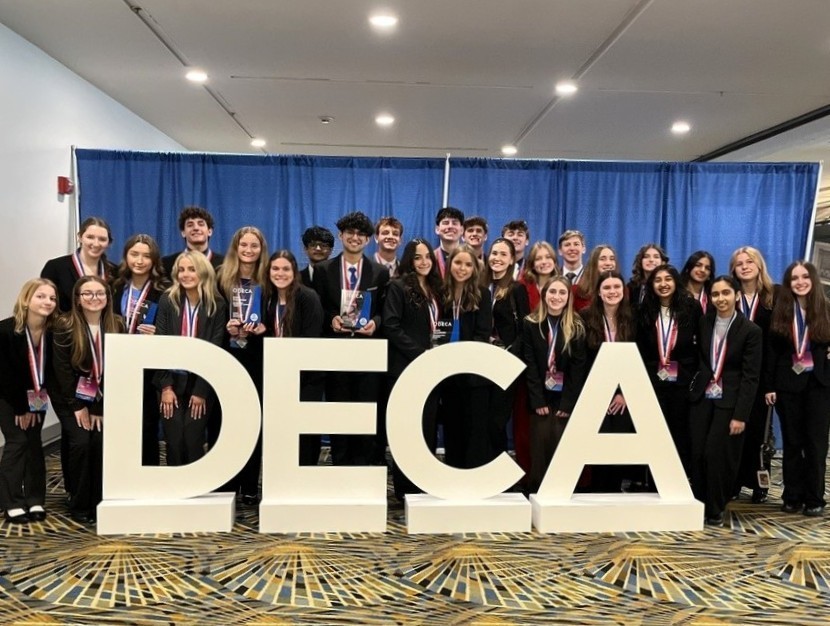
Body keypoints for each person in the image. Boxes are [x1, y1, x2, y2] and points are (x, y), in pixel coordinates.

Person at [312, 211, 390, 466]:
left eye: (361, 234)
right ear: (341, 235)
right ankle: (340, 465)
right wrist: (330, 319)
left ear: (368, 240)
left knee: (366, 411)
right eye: (350, 233)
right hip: (336, 353)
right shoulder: (323, 270)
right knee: (338, 411)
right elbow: (318, 308)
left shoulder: (379, 272)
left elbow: (383, 311)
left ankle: (364, 469)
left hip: (368, 354)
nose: (355, 238)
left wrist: (374, 323)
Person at [689, 275, 762, 526]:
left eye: (726, 293)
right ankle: (697, 504)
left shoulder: (751, 331)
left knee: (716, 455)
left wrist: (741, 415)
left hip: (730, 403)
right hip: (702, 398)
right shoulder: (704, 322)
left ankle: (715, 508)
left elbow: (751, 377)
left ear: (737, 296)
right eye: (716, 294)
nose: (721, 299)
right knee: (697, 452)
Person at [52, 276, 125, 524]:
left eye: (100, 294)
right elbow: (62, 371)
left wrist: (99, 407)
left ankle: (99, 499)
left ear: (107, 298)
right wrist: (79, 406)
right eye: (88, 294)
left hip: (103, 400)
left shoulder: (117, 324)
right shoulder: (65, 325)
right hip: (70, 400)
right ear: (78, 299)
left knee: (101, 442)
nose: (94, 298)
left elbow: (120, 369)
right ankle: (79, 501)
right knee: (82, 442)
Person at [765, 261, 830, 517]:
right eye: (794, 278)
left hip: (819, 386)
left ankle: (815, 497)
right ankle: (792, 495)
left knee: (816, 444)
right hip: (787, 385)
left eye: (805, 277)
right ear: (789, 283)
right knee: (792, 443)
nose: (800, 282)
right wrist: (769, 386)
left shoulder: (826, 310)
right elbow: (772, 353)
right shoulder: (781, 312)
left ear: (813, 280)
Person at [382, 238, 443, 498]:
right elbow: (391, 326)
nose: (424, 262)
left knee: (428, 425)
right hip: (406, 368)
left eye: (427, 256)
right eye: (418, 257)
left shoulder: (436, 289)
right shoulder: (397, 287)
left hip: (432, 368)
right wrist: (420, 354)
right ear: (409, 260)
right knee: (407, 428)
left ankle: (425, 479)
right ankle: (405, 487)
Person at [155, 252, 227, 467]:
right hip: (171, 381)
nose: (185, 274)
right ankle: (175, 491)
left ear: (203, 272)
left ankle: (196, 493)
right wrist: (165, 386)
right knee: (174, 439)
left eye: (191, 269)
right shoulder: (168, 299)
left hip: (201, 382)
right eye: (181, 269)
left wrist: (201, 391)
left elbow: (215, 349)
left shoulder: (217, 303)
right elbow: (160, 345)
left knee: (193, 439)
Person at [522, 276, 588, 494]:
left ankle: (560, 494)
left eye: (562, 293)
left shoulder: (577, 327)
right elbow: (529, 365)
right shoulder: (530, 324)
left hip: (564, 399)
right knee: (539, 447)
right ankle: (537, 493)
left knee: (561, 446)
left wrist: (568, 403)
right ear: (544, 295)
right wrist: (537, 399)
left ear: (568, 297)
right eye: (552, 292)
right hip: (539, 397)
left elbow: (577, 370)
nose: (556, 297)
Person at [217, 227, 269, 504]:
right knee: (228, 421)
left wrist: (263, 329)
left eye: (254, 246)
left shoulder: (269, 280)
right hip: (228, 357)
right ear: (235, 248)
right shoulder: (220, 278)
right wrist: (228, 329)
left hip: (258, 359)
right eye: (243, 245)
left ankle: (250, 485)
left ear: (262, 249)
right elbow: (212, 317)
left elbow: (276, 320)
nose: (248, 250)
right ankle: (228, 482)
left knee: (254, 423)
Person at [0, 279, 58, 523]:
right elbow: (5, 375)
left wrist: (35, 404)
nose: (47, 302)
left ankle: (35, 499)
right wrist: (23, 408)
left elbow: (47, 373)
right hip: (7, 397)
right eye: (41, 296)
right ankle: (11, 502)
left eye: (52, 298)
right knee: (17, 441)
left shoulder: (53, 331)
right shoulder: (5, 330)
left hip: (37, 395)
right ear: (26, 299)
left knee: (34, 442)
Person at [636, 264, 701, 476]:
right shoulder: (643, 311)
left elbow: (699, 345)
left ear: (676, 282)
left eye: (668, 279)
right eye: (658, 280)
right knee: (653, 432)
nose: (663, 284)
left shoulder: (692, 308)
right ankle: (652, 479)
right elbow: (642, 349)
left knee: (679, 431)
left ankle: (680, 478)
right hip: (652, 383)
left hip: (682, 383)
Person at [112, 234, 170, 466]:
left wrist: (158, 333)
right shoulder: (114, 287)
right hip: (118, 364)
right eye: (134, 254)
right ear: (126, 256)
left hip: (149, 365)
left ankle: (148, 477)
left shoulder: (164, 290)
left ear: (154, 261)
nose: (140, 260)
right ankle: (121, 475)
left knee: (147, 423)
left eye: (146, 256)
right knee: (121, 423)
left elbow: (172, 328)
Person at [266, 250, 325, 465]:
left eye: (285, 269)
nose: (280, 273)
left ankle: (307, 475)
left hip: (306, 377)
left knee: (305, 431)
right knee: (281, 429)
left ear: (294, 272)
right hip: (276, 377)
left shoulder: (307, 297)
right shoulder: (267, 298)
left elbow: (311, 339)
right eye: (275, 268)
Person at [582, 270, 637, 492]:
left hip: (624, 394)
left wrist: (624, 393)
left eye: (616, 287)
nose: (612, 292)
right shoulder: (586, 316)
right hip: (595, 391)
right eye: (607, 288)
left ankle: (614, 490)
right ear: (599, 292)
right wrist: (598, 391)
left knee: (619, 442)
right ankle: (597, 491)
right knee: (597, 442)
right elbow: (582, 359)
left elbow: (638, 358)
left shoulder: (633, 317)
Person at [730, 245, 776, 502]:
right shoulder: (729, 296)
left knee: (759, 434)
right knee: (736, 432)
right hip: (736, 378)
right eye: (740, 263)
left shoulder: (773, 296)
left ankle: (760, 484)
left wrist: (771, 383)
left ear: (759, 266)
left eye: (750, 262)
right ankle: (735, 481)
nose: (745, 266)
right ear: (734, 269)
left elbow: (777, 344)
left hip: (763, 379)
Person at [439, 245, 492, 468]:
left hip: (473, 373)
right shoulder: (439, 293)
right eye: (458, 263)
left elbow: (482, 334)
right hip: (445, 372)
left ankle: (473, 475)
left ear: (475, 267)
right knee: (452, 425)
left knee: (475, 427)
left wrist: (464, 360)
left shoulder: (483, 294)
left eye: (468, 264)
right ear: (450, 264)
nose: (462, 268)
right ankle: (453, 470)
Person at [480, 238, 530, 464]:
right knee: (482, 417)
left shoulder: (517, 289)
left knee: (497, 420)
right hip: (481, 362)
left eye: (503, 254)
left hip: (506, 363)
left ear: (511, 260)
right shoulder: (480, 286)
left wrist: (510, 355)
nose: (497, 258)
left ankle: (497, 467)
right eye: (494, 253)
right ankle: (483, 465)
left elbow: (525, 329)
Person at [515, 240, 559, 480]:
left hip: (557, 367)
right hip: (529, 365)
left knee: (555, 425)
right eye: (538, 258)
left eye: (547, 257)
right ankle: (527, 475)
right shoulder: (523, 287)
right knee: (527, 423)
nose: (543, 262)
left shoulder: (565, 287)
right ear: (532, 263)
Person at [41, 216, 116, 313]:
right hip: (64, 327)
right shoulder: (55, 267)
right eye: (90, 237)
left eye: (102, 239)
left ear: (108, 243)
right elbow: (45, 303)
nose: (96, 244)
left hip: (101, 327)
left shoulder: (115, 272)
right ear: (80, 237)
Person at [161, 206, 224, 276]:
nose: (196, 228)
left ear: (210, 231)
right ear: (183, 233)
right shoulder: (167, 264)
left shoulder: (224, 264)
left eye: (201, 224)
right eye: (190, 225)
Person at [574, 244, 618, 311]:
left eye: (612, 259)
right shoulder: (576, 291)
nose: (608, 263)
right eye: (602, 259)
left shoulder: (624, 291)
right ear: (594, 263)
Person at [628, 243, 669, 309]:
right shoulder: (631, 286)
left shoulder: (667, 286)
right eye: (646, 256)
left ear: (662, 262)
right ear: (640, 261)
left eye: (656, 257)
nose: (651, 260)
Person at [681, 251, 716, 315]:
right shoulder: (677, 292)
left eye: (707, 268)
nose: (702, 270)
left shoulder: (712, 297)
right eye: (698, 265)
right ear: (688, 268)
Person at [433, 207, 465, 278]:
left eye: (454, 223)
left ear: (462, 230)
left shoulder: (470, 259)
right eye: (446, 223)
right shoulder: (430, 259)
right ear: (437, 229)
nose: (450, 226)